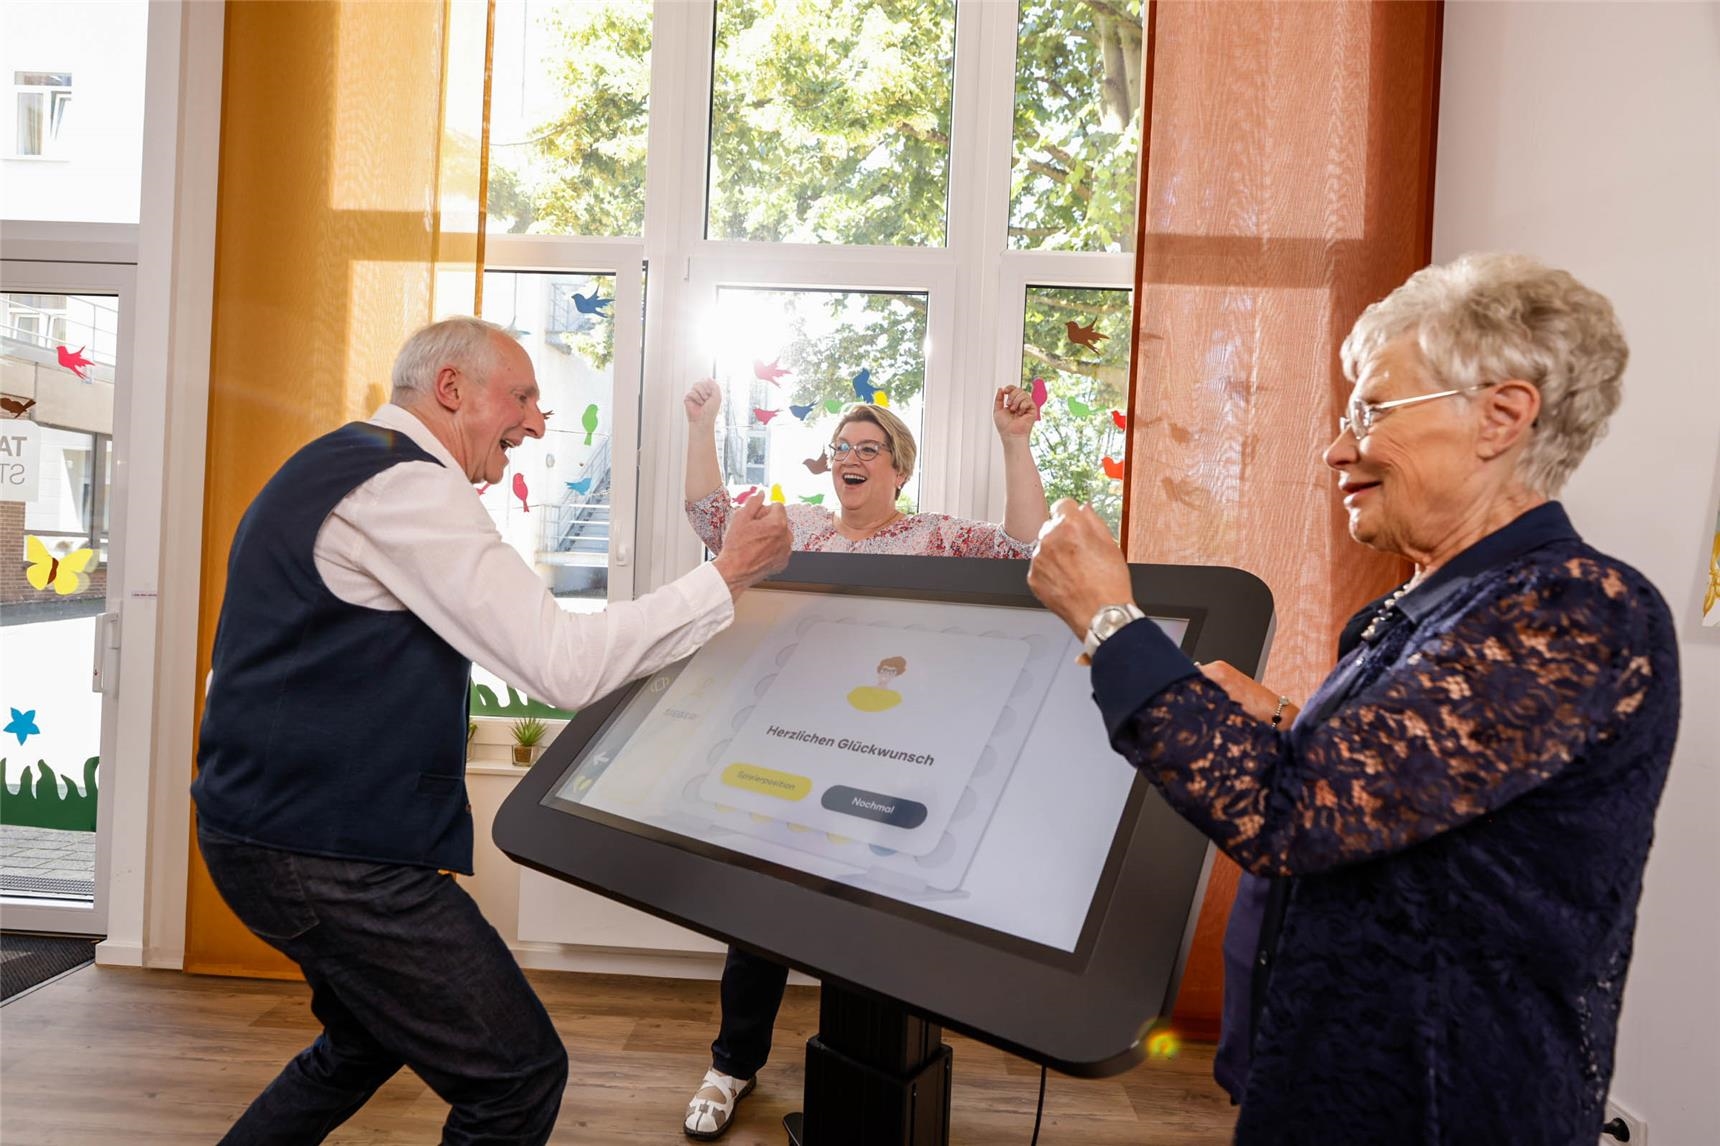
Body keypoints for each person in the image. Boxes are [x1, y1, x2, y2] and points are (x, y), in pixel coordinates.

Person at [1026, 253, 1680, 1143]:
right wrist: (1289, 720)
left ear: (1502, 416)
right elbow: (1410, 795)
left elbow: (1292, 817)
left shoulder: (1573, 607)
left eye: (1372, 410)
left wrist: (1109, 622)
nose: (1338, 447)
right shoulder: (1435, 603)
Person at [190, 317, 792, 1146]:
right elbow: (562, 665)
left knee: (364, 1041)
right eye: (523, 397)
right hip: (326, 856)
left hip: (265, 832)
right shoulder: (405, 488)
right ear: (450, 390)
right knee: (518, 1075)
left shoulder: (334, 463)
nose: (539, 423)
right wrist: (724, 577)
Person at [678, 378, 1047, 1138]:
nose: (851, 458)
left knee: (873, 930)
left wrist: (1015, 442)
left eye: (868, 450)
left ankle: (874, 1088)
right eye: (842, 448)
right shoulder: (797, 525)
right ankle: (730, 1068)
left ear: (898, 471)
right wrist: (702, 422)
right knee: (758, 922)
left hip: (890, 761)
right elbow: (710, 517)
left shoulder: (934, 537)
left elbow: (1023, 549)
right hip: (782, 748)